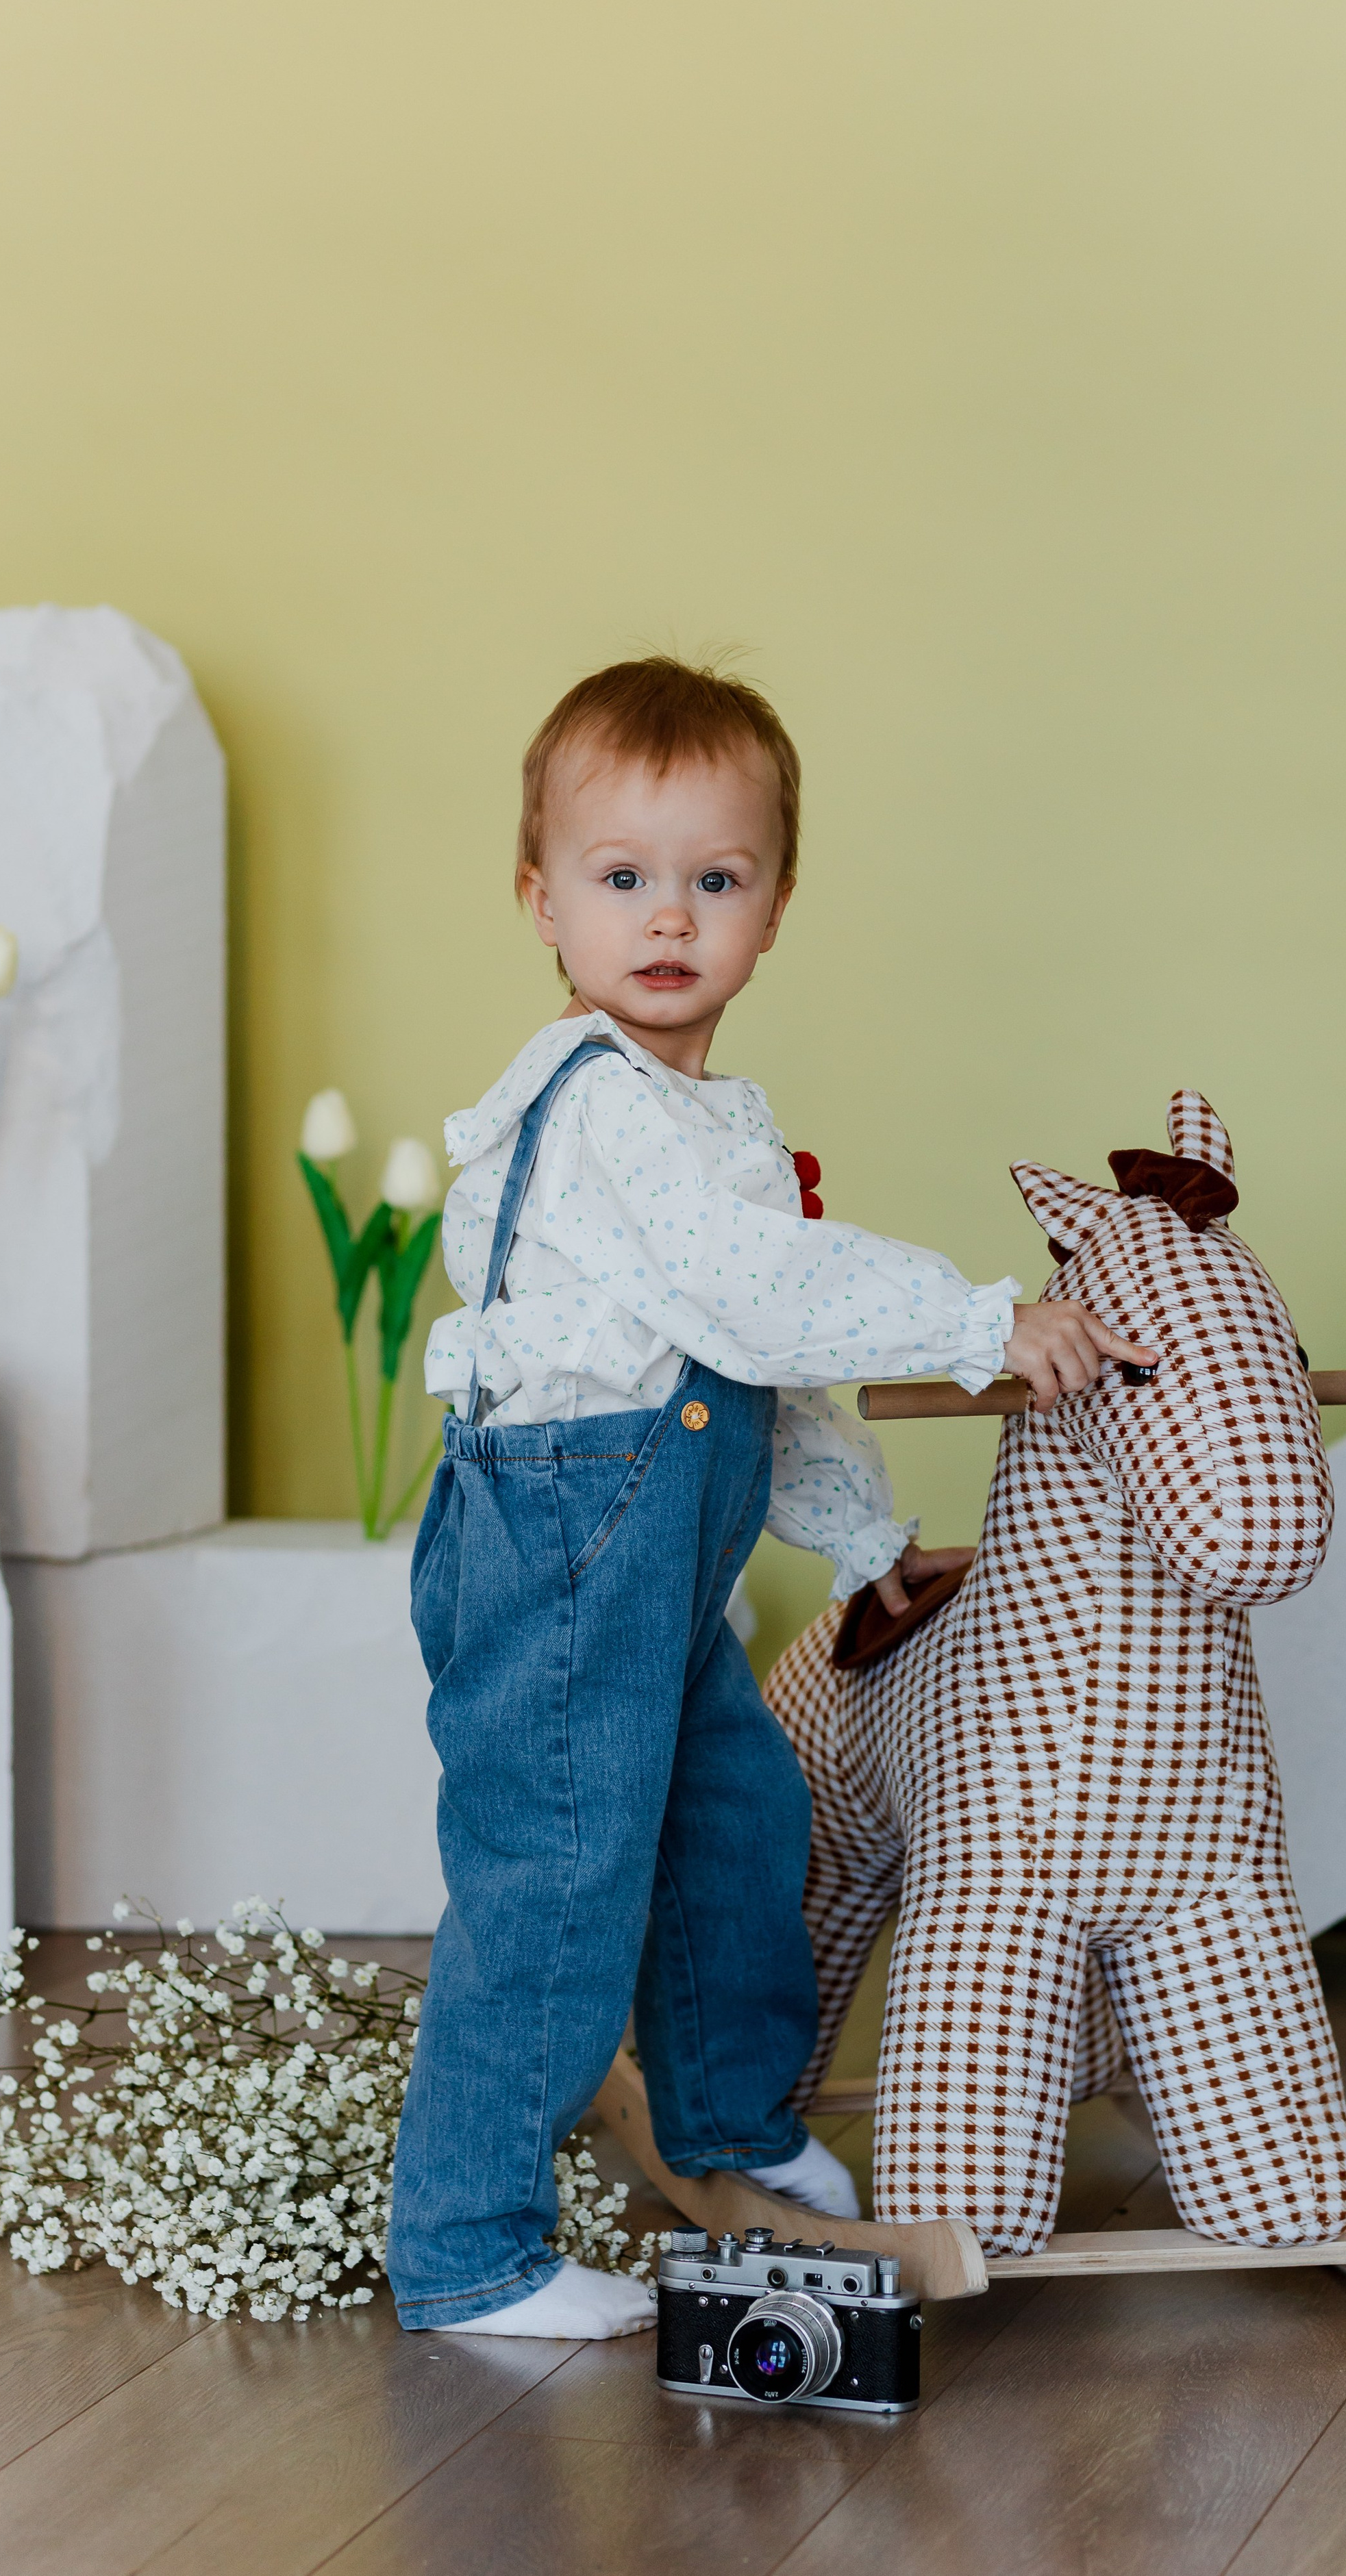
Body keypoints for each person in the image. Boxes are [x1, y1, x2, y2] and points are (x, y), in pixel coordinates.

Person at [386, 657, 1154, 2339]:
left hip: (656, 1570)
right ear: (540, 900)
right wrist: (976, 1324)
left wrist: (868, 1545)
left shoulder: (710, 1119)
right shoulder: (598, 1113)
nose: (668, 917)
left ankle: (727, 2117)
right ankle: (465, 2243)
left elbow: (770, 1372)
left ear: (773, 907)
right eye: (619, 877)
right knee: (558, 1873)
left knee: (738, 1827)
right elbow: (764, 1292)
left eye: (713, 879)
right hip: (556, 1555)